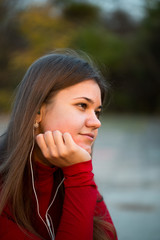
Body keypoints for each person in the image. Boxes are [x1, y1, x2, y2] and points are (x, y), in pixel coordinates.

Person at [0, 49, 117, 240]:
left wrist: (79, 175)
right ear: (37, 112)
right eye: (82, 106)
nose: (96, 122)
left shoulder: (76, 174)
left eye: (97, 111)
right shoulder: (5, 188)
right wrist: (79, 175)